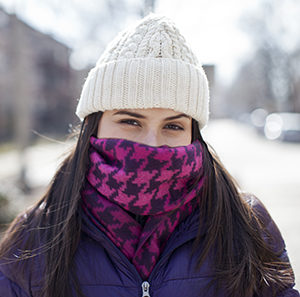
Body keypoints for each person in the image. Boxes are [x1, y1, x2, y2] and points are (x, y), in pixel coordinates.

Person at [0, 13, 298, 297]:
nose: (152, 144)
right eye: (130, 121)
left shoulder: (246, 224)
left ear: (193, 135)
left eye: (173, 125)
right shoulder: (35, 238)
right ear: (94, 126)